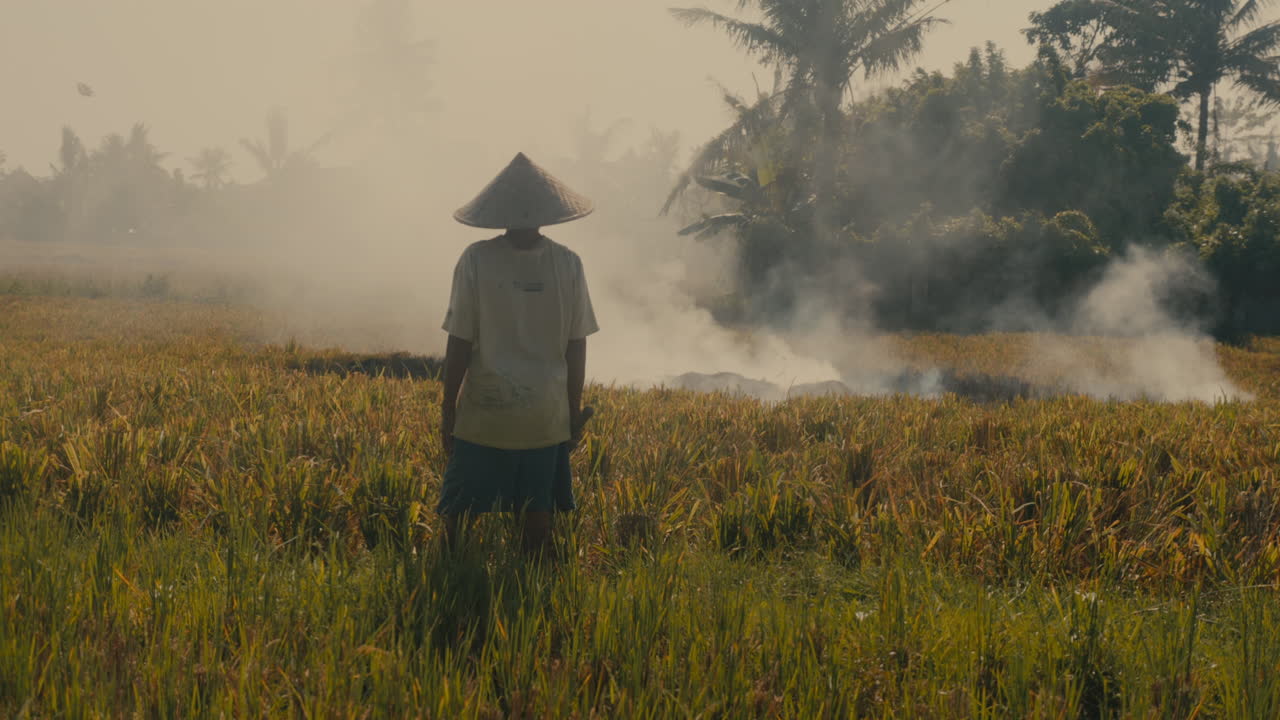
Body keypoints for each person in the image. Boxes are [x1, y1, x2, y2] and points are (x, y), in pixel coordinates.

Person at [437, 152, 598, 558]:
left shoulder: (476, 259)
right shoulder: (568, 264)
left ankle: (452, 587)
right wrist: (572, 410)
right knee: (538, 526)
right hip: (544, 416)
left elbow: (459, 342)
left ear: (499, 213)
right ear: (546, 213)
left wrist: (448, 409)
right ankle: (538, 602)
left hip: (485, 414)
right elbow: (576, 345)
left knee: (457, 521)